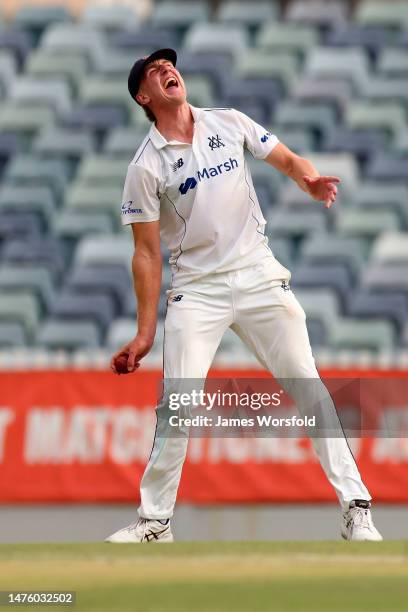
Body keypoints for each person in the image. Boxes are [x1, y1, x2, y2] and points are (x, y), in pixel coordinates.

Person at [105, 49, 382, 543]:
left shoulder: (228, 122)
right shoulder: (145, 166)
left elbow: (289, 160)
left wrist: (309, 180)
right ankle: (155, 521)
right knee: (179, 403)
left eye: (171, 66)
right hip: (197, 288)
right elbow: (145, 254)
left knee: (307, 384)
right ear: (143, 96)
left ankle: (356, 508)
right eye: (154, 71)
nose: (169, 70)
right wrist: (145, 332)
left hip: (257, 273)